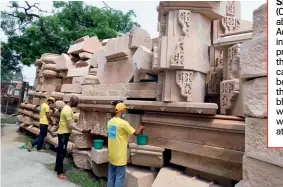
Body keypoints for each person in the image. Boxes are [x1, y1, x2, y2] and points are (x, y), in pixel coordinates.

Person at [107, 103, 145, 187]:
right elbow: (136, 133)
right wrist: (141, 128)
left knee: (111, 177)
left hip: (111, 155)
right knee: (119, 178)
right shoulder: (123, 123)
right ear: (122, 110)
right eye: (125, 109)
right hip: (120, 157)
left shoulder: (110, 122)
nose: (126, 111)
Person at [55, 96, 90, 181]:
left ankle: (57, 168)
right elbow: (70, 125)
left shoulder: (66, 108)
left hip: (63, 133)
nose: (77, 105)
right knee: (62, 152)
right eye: (76, 103)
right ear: (73, 102)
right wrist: (82, 130)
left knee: (60, 151)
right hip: (63, 134)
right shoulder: (67, 110)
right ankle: (59, 172)